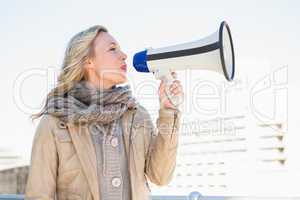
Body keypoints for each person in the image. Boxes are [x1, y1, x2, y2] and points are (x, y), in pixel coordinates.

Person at [25, 25, 183, 200]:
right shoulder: (54, 123)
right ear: (88, 61)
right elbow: (38, 195)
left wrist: (169, 110)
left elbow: (161, 176)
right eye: (113, 49)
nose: (124, 56)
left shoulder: (137, 115)